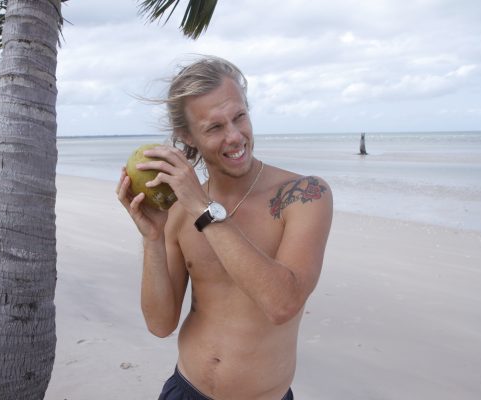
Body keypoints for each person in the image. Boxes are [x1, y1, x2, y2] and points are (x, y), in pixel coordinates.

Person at [116, 56, 333, 400]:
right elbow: (160, 324)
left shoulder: (303, 196)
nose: (234, 136)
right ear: (186, 135)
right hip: (186, 388)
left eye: (239, 117)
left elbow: (282, 304)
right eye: (214, 127)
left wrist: (203, 210)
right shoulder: (180, 209)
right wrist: (153, 238)